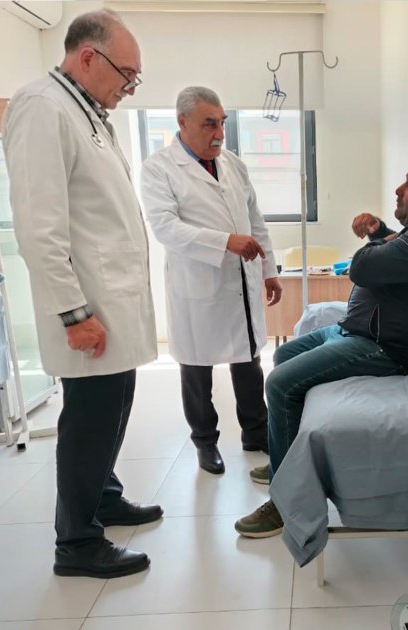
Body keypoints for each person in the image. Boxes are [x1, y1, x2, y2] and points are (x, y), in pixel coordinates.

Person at [3, 9, 162, 578]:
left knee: (115, 405)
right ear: (89, 56)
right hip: (88, 306)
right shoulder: (42, 108)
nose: (129, 87)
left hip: (111, 301)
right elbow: (38, 227)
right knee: (90, 421)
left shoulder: (87, 112)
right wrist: (73, 314)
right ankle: (76, 542)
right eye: (127, 75)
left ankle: (103, 497)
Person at [234, 158, 408, 538]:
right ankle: (288, 457)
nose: (398, 190)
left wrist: (376, 245)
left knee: (280, 383)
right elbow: (399, 256)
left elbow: (360, 267)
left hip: (386, 348)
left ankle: (285, 501)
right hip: (356, 332)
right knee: (283, 354)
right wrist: (382, 233)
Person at [140, 87, 281, 475]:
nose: (219, 133)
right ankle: (205, 443)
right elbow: (165, 228)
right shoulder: (159, 168)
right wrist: (225, 242)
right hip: (196, 285)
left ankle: (256, 432)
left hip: (241, 281)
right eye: (209, 124)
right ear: (182, 122)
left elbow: (255, 220)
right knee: (196, 370)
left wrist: (269, 271)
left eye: (222, 123)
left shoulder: (233, 164)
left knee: (248, 362)